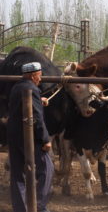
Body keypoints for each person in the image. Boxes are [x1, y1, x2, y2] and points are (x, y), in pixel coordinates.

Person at [7, 62, 53, 212]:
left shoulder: (17, 87)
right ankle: (39, 206)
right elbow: (37, 117)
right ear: (33, 76)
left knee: (17, 174)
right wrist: (45, 139)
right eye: (40, 75)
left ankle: (21, 209)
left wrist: (39, 101)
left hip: (14, 136)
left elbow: (23, 106)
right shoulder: (32, 89)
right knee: (47, 168)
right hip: (30, 138)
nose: (40, 78)